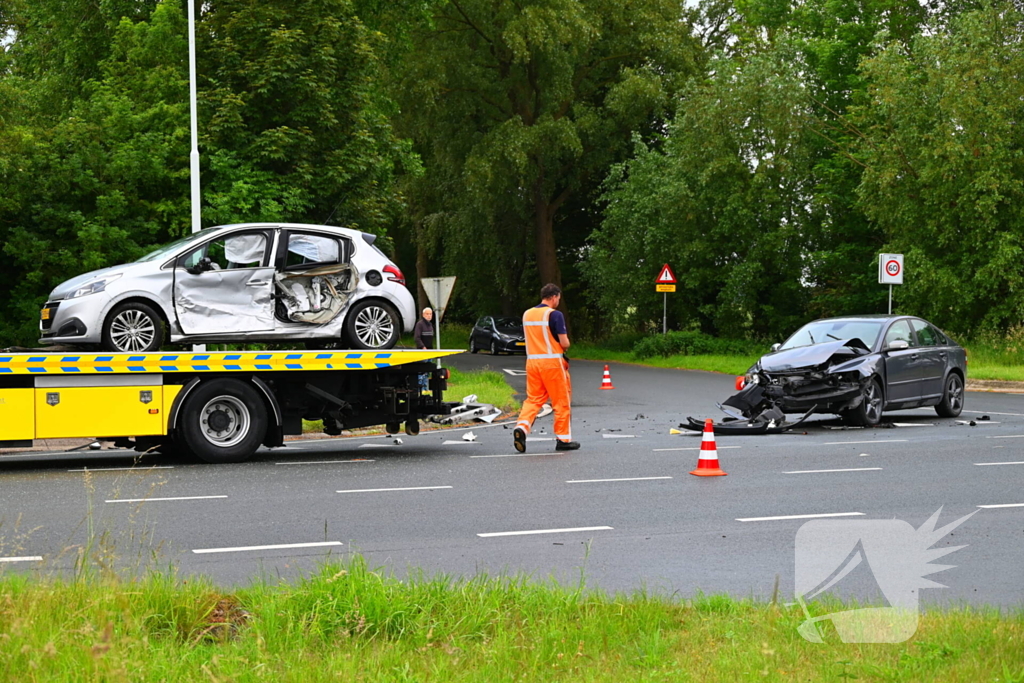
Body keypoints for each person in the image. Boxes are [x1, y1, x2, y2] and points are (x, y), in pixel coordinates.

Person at [513, 284, 579, 452]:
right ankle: (563, 439)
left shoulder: (527, 314)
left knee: (533, 399)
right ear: (554, 297)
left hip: (532, 363)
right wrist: (565, 345)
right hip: (552, 364)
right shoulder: (554, 315)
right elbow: (564, 343)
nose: (558, 301)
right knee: (561, 401)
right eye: (558, 298)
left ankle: (521, 427)